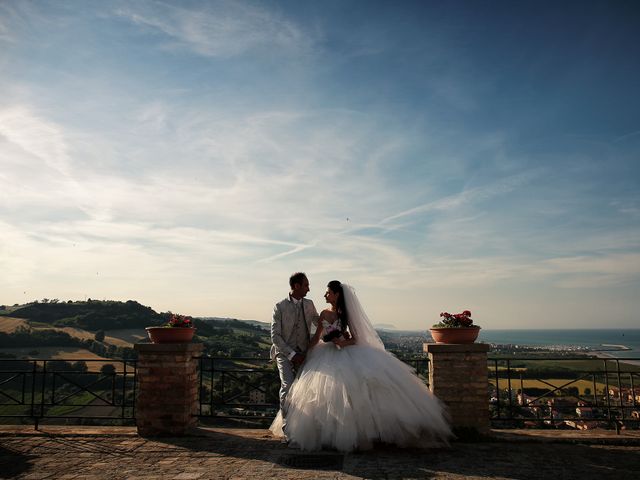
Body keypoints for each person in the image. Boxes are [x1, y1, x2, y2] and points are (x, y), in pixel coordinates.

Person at [270, 280, 452, 452]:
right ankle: (327, 435)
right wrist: (306, 354)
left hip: (345, 352)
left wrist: (343, 343)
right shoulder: (324, 314)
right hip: (325, 354)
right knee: (323, 395)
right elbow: (317, 337)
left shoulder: (346, 315)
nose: (325, 295)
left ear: (336, 295)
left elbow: (356, 338)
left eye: (328, 292)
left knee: (355, 392)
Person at [270, 272, 320, 436]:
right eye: (306, 285)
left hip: (304, 353)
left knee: (305, 389)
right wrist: (291, 355)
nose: (308, 289)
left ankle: (302, 427)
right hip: (284, 353)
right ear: (296, 286)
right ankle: (287, 428)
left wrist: (338, 330)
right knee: (288, 385)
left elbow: (320, 324)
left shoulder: (310, 304)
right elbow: (275, 336)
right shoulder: (280, 306)